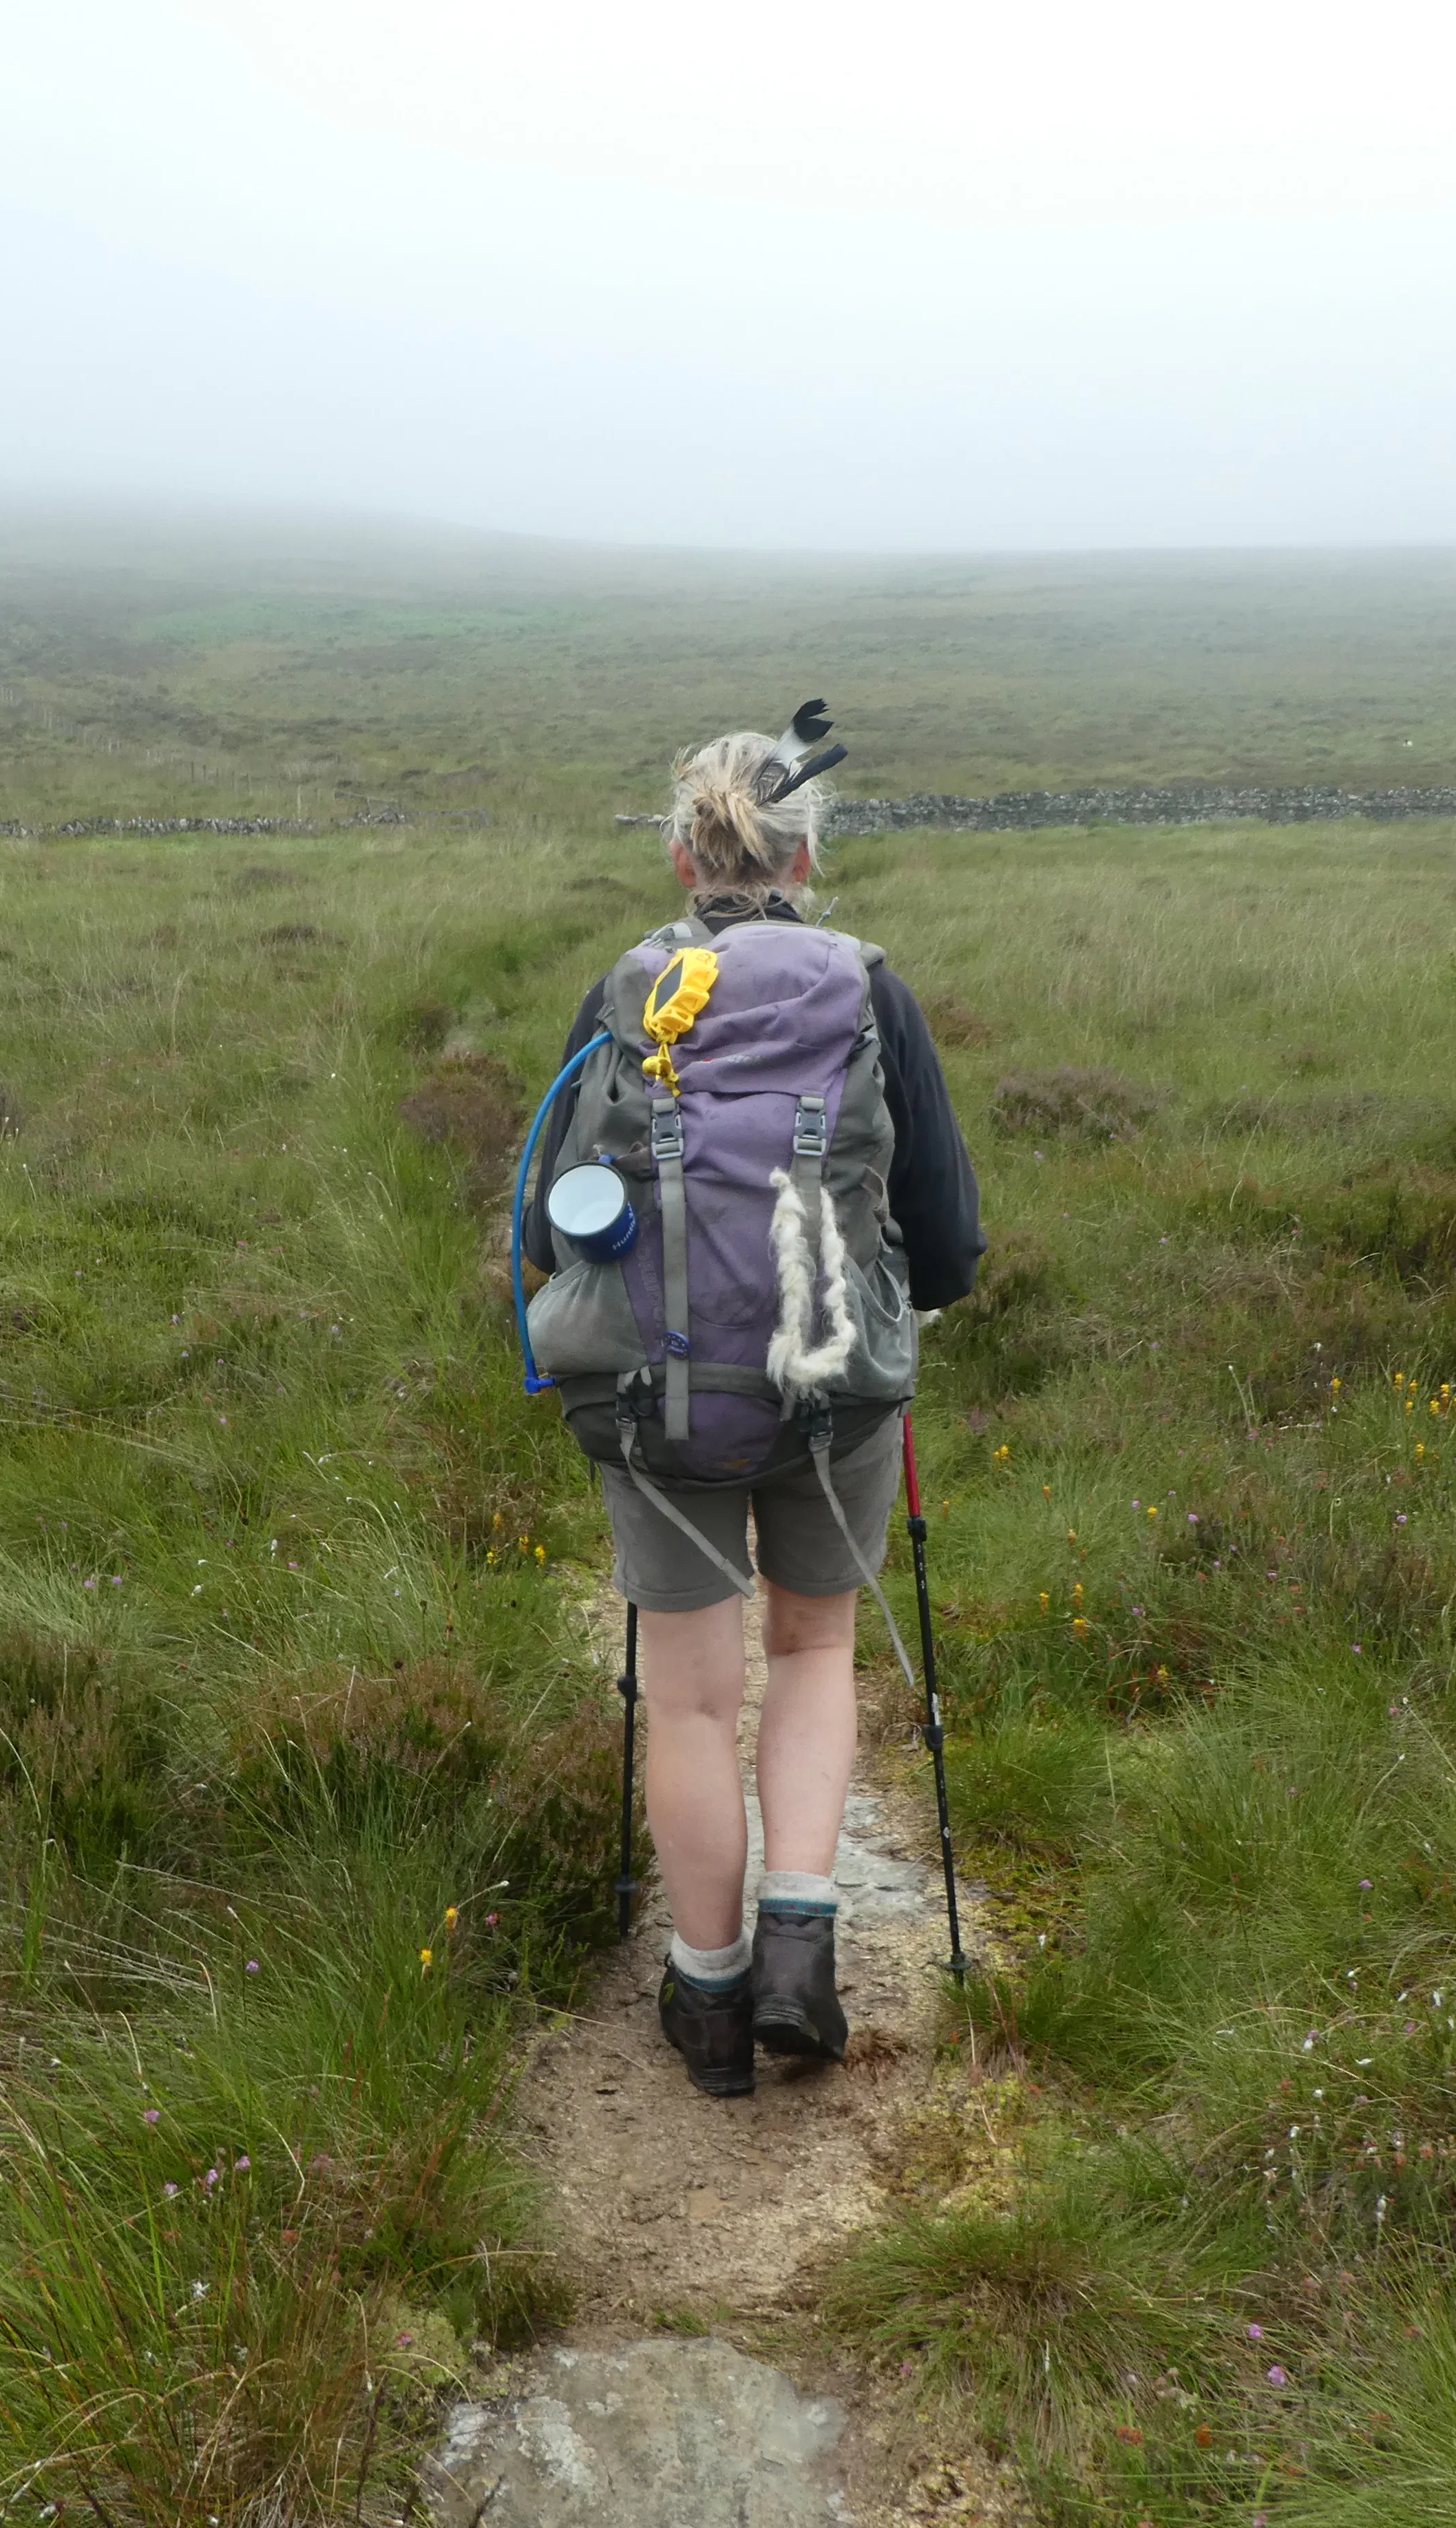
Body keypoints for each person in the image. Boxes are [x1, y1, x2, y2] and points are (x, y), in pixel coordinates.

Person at [519, 723, 982, 2096]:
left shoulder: (629, 987)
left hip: (656, 1403)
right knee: (816, 1649)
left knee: (688, 1698)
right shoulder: (869, 989)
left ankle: (708, 1999)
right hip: (836, 1395)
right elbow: (945, 1238)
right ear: (806, 857)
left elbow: (547, 1222)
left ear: (683, 853)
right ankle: (801, 1950)